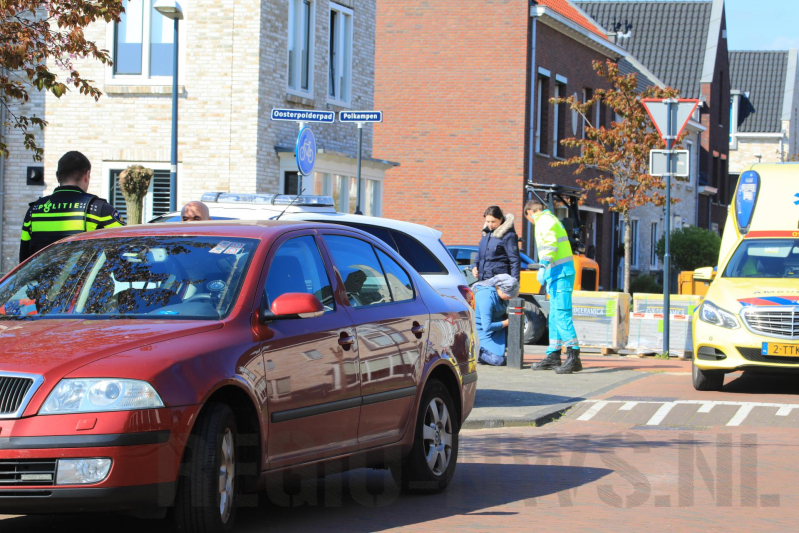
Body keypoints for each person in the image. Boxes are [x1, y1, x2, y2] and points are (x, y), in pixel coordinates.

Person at [20, 151, 124, 262]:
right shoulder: (100, 210)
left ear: (57, 176)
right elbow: (125, 249)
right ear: (87, 175)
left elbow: (24, 260)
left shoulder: (34, 211)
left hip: (41, 274)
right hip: (83, 274)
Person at [525, 200, 582, 374]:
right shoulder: (550, 219)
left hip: (561, 274)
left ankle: (574, 356)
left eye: (528, 218)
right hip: (557, 274)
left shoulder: (544, 221)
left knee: (562, 315)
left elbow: (550, 245)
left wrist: (542, 265)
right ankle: (554, 354)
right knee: (555, 316)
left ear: (529, 213)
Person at [473, 274, 520, 366]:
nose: (511, 298)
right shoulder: (486, 297)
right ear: (501, 291)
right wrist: (507, 322)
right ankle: (476, 351)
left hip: (497, 329)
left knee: (502, 357)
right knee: (498, 360)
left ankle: (488, 353)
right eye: (509, 296)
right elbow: (487, 327)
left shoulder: (500, 296)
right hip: (482, 333)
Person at [471, 206, 521, 282]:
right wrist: (475, 266)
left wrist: (514, 282)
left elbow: (514, 261)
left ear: (500, 219)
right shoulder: (486, 234)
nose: (490, 225)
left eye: (493, 222)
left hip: (499, 281)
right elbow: (480, 254)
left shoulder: (508, 236)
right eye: (488, 222)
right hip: (483, 279)